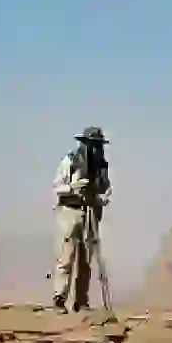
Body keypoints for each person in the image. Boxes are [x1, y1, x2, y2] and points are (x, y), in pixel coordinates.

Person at [51, 126, 112, 313]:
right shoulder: (70, 161)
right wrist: (73, 187)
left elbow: (106, 188)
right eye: (92, 145)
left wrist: (103, 197)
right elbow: (57, 188)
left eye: (97, 145)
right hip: (70, 210)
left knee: (86, 259)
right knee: (67, 255)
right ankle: (59, 299)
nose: (95, 149)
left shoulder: (101, 166)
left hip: (91, 210)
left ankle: (81, 301)